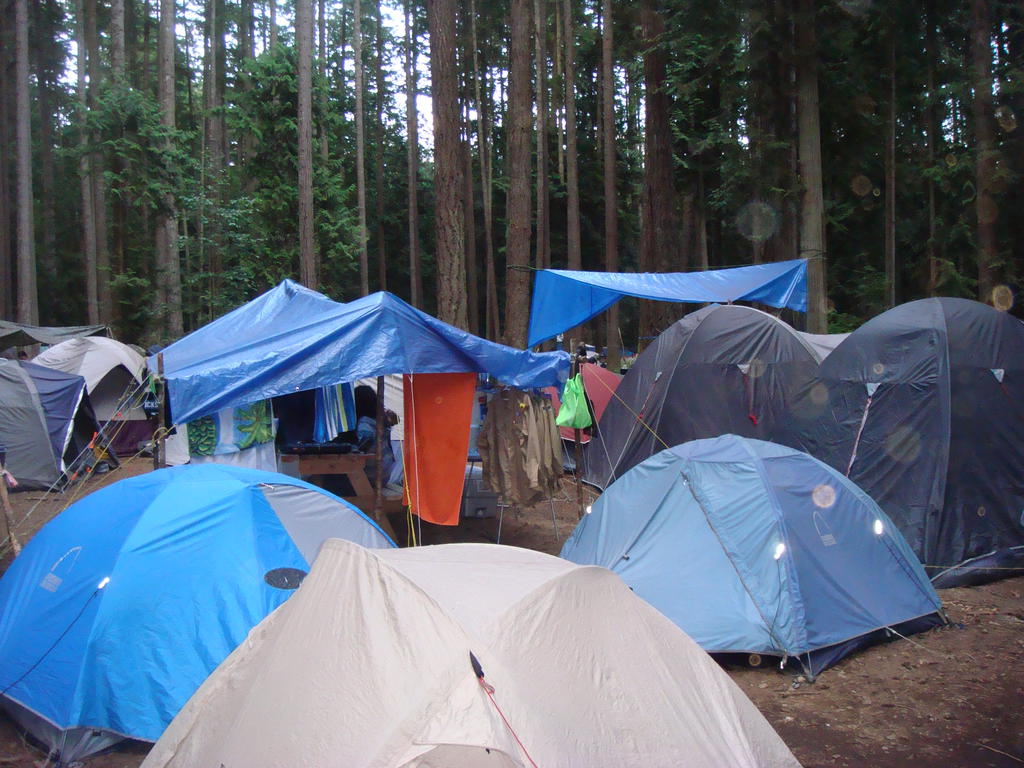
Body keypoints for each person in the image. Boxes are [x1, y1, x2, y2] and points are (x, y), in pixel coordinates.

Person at [353, 385, 396, 484]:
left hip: (371, 476)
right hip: (385, 474)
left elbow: (359, 452)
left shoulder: (365, 424)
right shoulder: (381, 420)